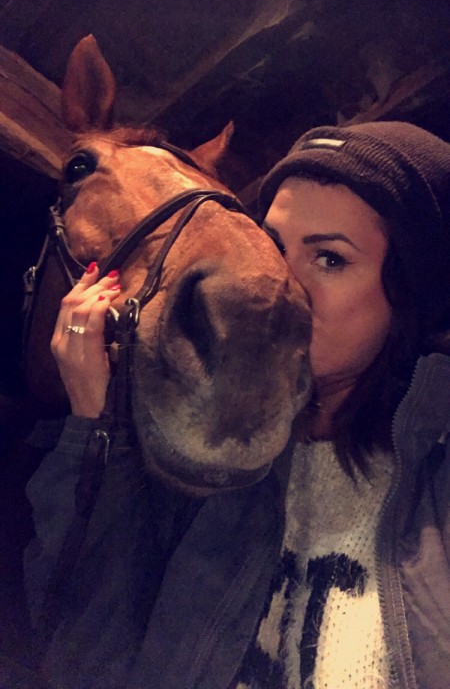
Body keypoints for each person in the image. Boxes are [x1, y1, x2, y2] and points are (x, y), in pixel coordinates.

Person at [23, 122, 450, 689]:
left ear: (407, 298)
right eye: (273, 245)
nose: (276, 282)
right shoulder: (213, 447)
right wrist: (94, 421)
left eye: (330, 259)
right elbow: (86, 656)